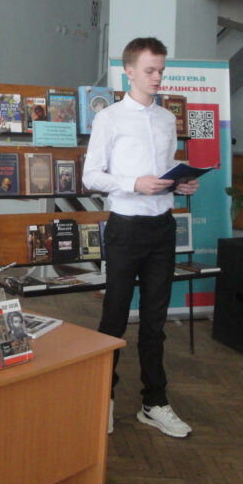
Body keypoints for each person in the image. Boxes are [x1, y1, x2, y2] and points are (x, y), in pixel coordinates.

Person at [82, 37, 199, 439]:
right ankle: (103, 397)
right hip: (126, 228)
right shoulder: (109, 118)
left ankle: (154, 402)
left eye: (161, 70)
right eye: (150, 70)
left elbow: (165, 171)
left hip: (162, 228)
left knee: (155, 320)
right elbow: (91, 176)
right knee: (114, 316)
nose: (157, 77)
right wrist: (134, 182)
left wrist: (181, 183)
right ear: (129, 71)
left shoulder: (166, 119)